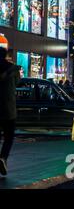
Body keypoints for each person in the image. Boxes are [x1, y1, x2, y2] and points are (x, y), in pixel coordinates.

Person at [0, 47, 21, 176]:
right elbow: (17, 82)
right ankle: (3, 158)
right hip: (8, 108)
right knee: (8, 137)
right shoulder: (13, 69)